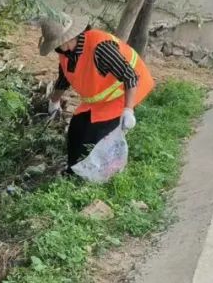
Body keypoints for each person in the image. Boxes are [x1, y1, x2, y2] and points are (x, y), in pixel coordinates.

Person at [38, 12, 154, 174]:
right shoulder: (66, 53)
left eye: (57, 44)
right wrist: (54, 101)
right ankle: (73, 171)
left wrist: (128, 110)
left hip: (125, 92)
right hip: (99, 98)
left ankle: (97, 175)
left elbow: (130, 76)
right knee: (76, 129)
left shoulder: (100, 48)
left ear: (69, 38)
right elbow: (64, 78)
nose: (56, 49)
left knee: (94, 136)